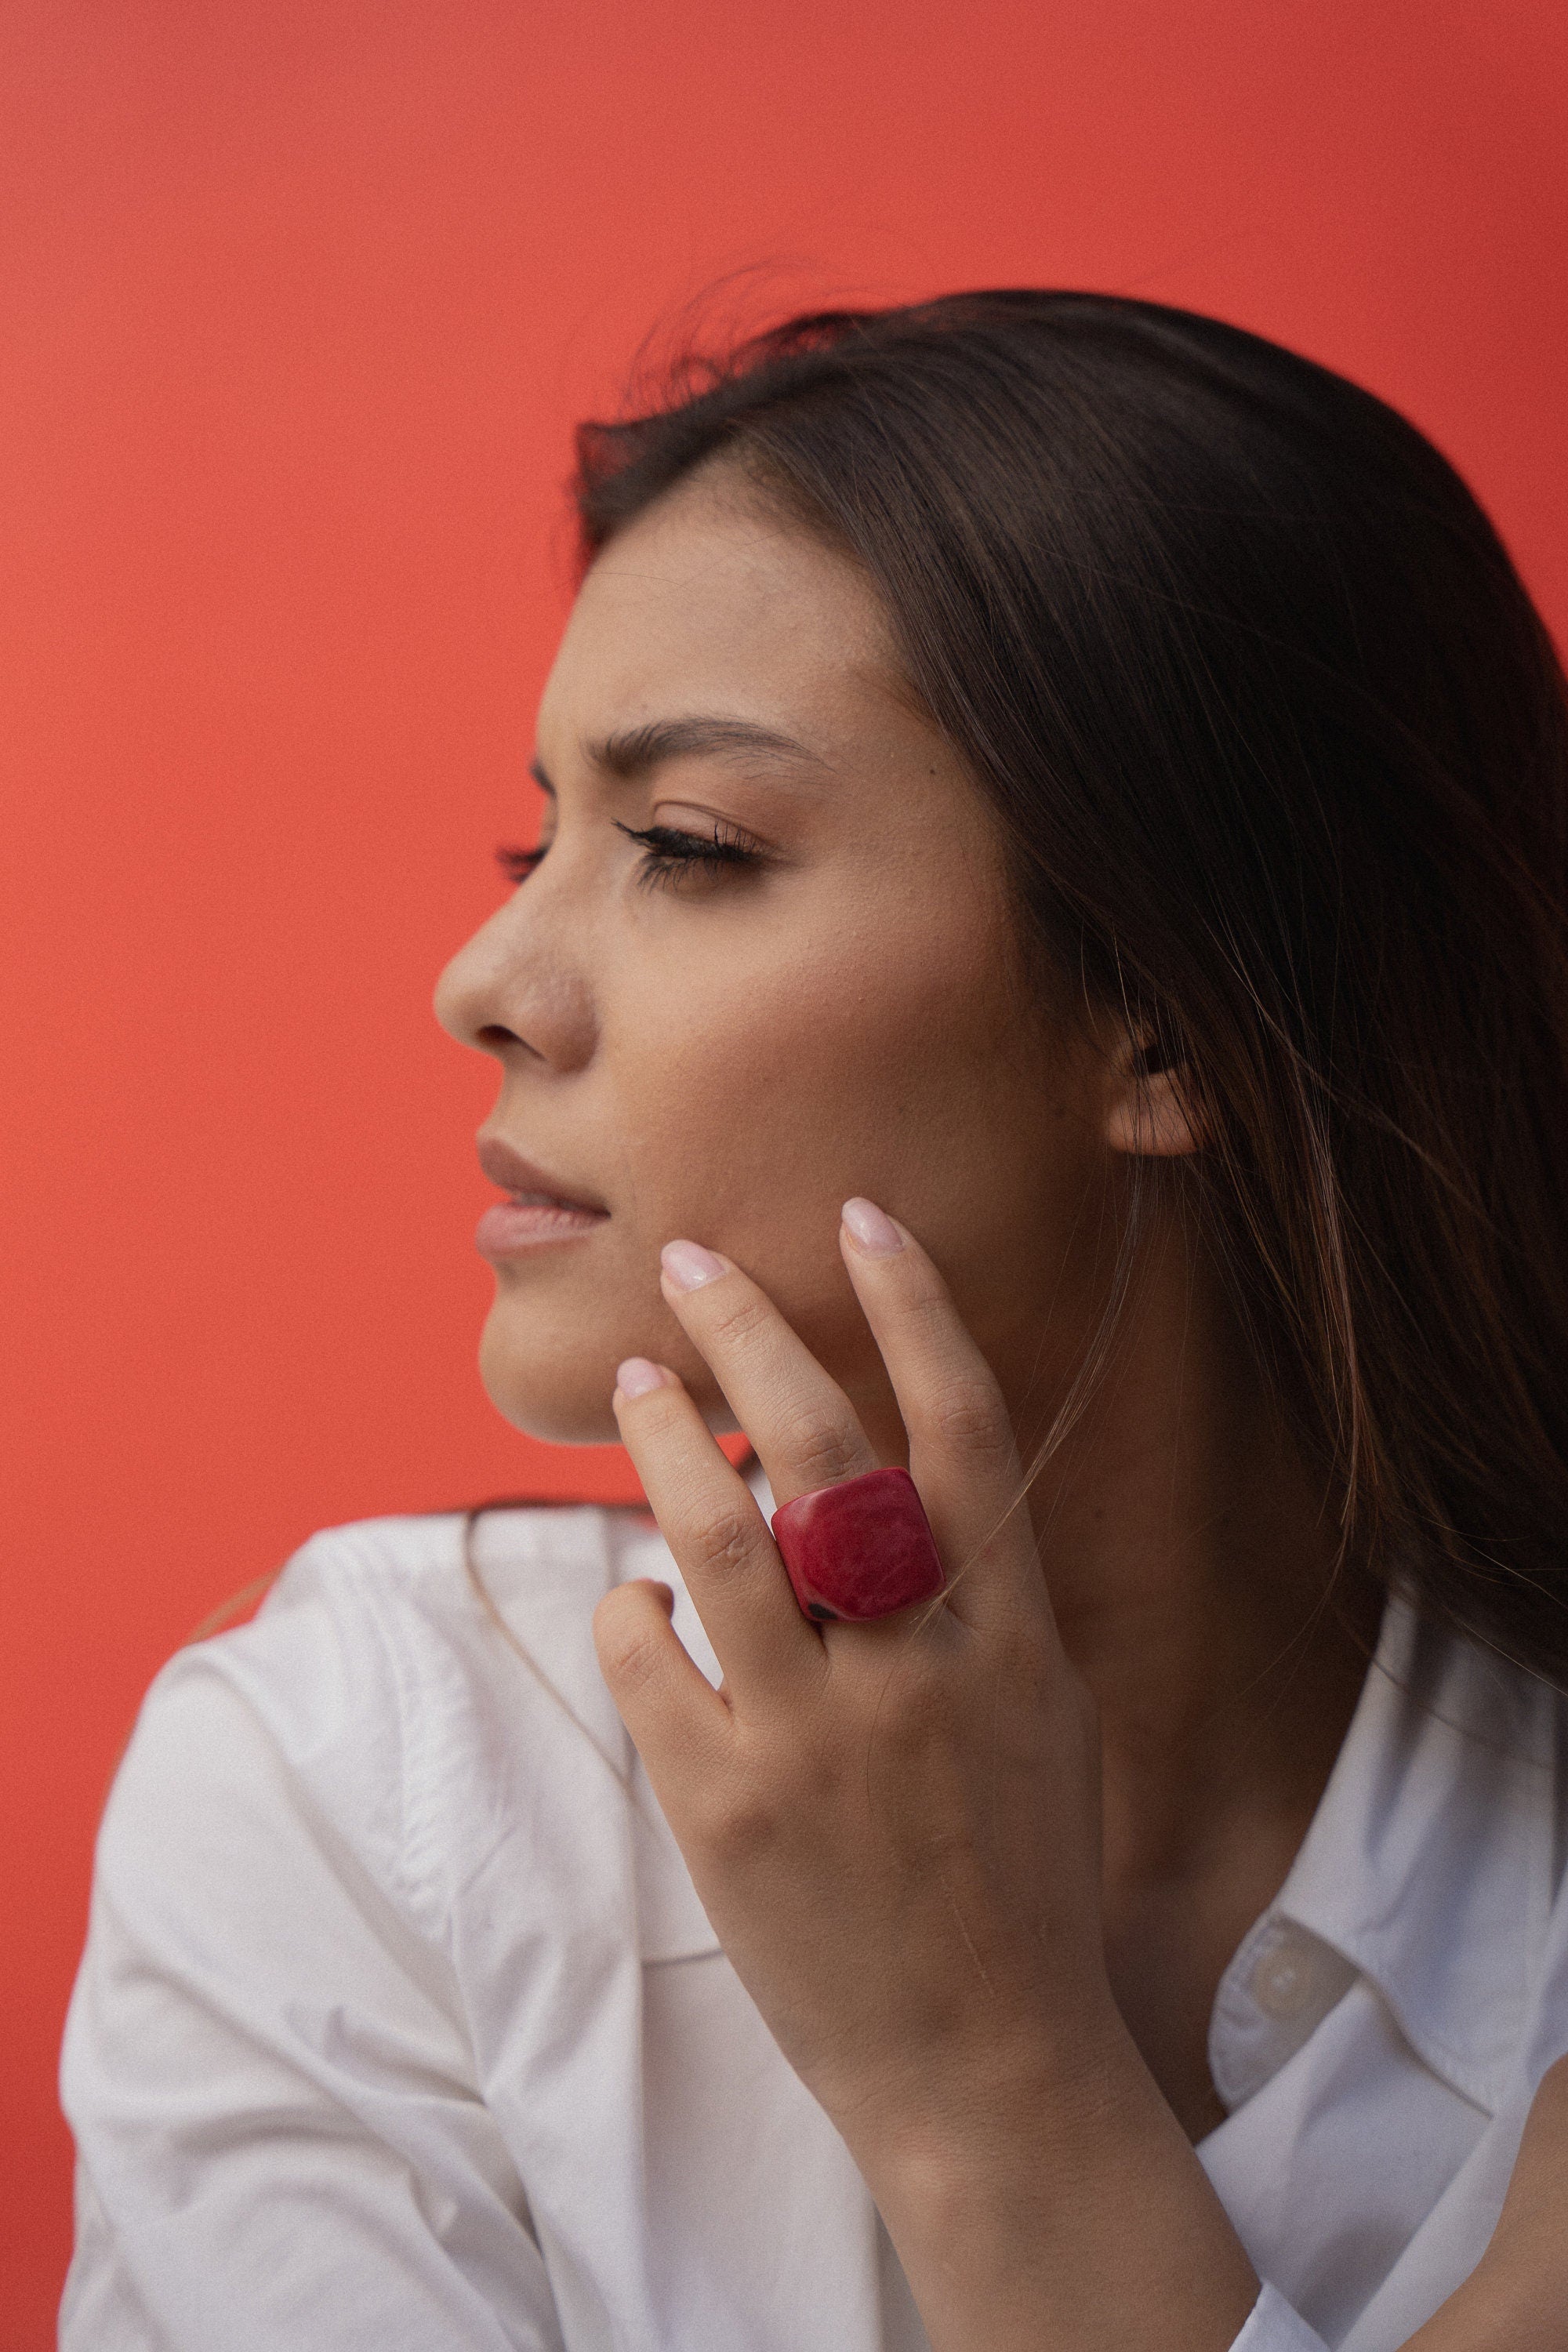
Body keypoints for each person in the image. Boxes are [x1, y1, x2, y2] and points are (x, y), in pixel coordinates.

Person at [60, 292, 1568, 2351]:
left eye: (686, 847)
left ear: (1167, 1014)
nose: (485, 979)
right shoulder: (370, 1787)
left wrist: (995, 2100)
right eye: (541, 836)